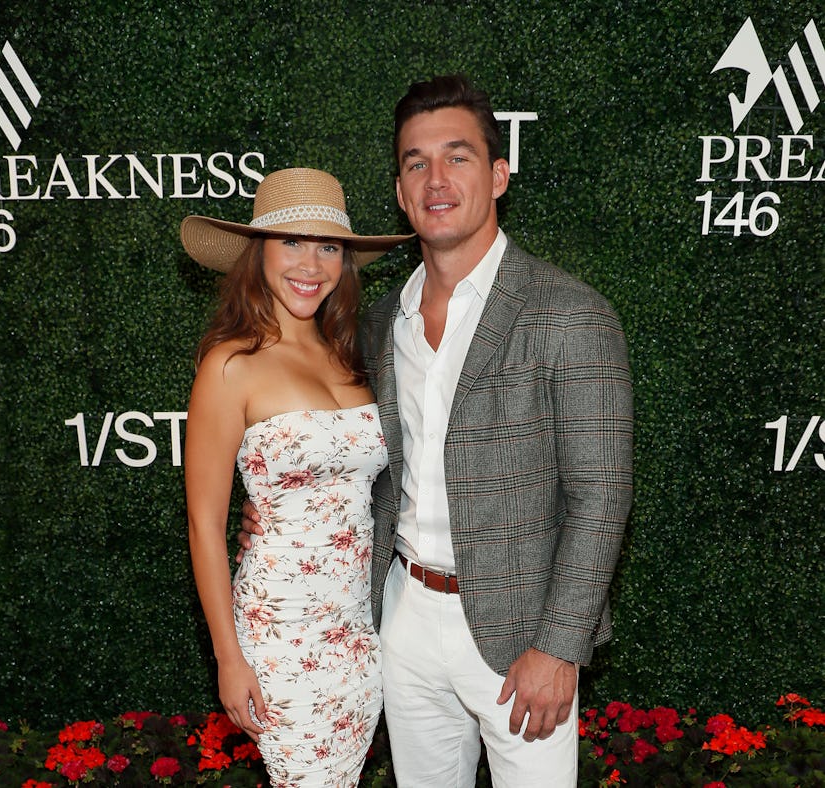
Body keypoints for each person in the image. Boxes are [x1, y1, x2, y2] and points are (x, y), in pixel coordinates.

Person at [241, 75, 633, 787]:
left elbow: (602, 494)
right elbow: (345, 454)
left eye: (457, 156)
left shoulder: (571, 314)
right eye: (416, 162)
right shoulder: (378, 320)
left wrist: (560, 646)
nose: (436, 178)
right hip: (402, 618)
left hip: (523, 635)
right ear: (398, 190)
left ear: (500, 173)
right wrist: (271, 520)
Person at [182, 167, 411, 787]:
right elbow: (204, 527)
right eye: (291, 242)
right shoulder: (230, 364)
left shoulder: (355, 355)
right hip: (280, 636)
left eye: (328, 246)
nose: (310, 263)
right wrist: (229, 660)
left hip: (359, 633)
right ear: (258, 254)